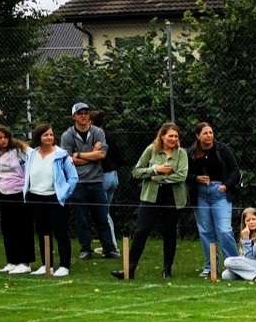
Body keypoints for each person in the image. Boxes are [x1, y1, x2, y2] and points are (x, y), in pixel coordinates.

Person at [112, 122, 188, 280]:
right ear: (162, 136)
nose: (173, 139)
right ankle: (129, 269)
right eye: (170, 136)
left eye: (176, 136)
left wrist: (158, 178)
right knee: (141, 231)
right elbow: (136, 172)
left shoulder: (181, 153)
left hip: (172, 198)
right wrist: (155, 169)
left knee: (169, 232)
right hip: (150, 197)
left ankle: (167, 270)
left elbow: (181, 176)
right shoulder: (151, 150)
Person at [60, 101, 118, 261]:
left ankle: (109, 249)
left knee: (102, 217)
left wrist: (78, 155)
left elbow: (102, 155)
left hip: (96, 181)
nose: (83, 116)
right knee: (82, 219)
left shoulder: (98, 132)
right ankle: (85, 250)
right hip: (78, 183)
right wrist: (91, 154)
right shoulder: (67, 135)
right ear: (74, 116)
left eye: (86, 112)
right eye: (80, 113)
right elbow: (66, 160)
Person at [187, 122, 241, 277]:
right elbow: (185, 174)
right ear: (198, 136)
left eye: (211, 132)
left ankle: (233, 264)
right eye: (205, 133)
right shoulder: (191, 153)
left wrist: (226, 185)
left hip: (220, 192)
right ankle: (211, 266)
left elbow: (235, 169)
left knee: (224, 230)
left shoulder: (221, 149)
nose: (209, 136)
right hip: (201, 194)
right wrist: (196, 178)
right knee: (206, 231)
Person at [23, 123, 78, 276]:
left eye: (51, 135)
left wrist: (64, 193)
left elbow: (73, 177)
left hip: (56, 198)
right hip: (36, 197)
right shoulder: (31, 154)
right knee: (42, 232)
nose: (49, 138)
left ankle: (64, 265)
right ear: (38, 137)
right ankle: (46, 264)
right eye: (45, 135)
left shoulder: (61, 155)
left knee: (60, 232)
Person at [0, 126, 35, 274]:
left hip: (20, 193)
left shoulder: (19, 149)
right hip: (4, 193)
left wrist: (28, 180)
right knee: (8, 227)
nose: (3, 140)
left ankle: (25, 262)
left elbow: (34, 157)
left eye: (5, 137)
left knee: (23, 227)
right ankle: (12, 260)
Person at [90, 109, 124, 248]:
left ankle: (112, 245)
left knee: (103, 214)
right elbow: (120, 157)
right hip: (113, 176)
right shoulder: (109, 135)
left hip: (103, 177)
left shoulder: (95, 137)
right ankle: (108, 243)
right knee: (106, 211)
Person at [222, 207, 256, 282]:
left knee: (228, 261)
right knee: (226, 275)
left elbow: (250, 256)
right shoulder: (247, 232)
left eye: (254, 219)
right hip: (252, 263)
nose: (251, 222)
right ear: (244, 222)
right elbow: (244, 255)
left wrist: (245, 238)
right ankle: (252, 275)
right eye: (248, 220)